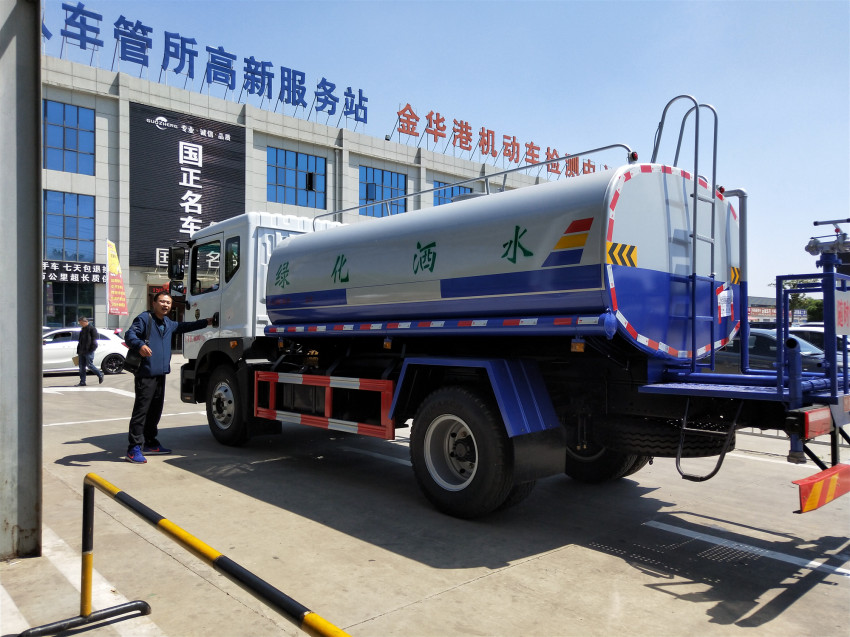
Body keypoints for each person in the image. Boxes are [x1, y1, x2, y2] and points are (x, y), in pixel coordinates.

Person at [124, 291, 213, 464]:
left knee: (155, 411)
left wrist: (206, 322)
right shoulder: (144, 319)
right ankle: (133, 448)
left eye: (169, 303)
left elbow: (185, 326)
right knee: (141, 412)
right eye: (162, 302)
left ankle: (150, 442)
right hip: (146, 374)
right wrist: (140, 345)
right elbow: (129, 335)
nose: (166, 305)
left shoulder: (168, 323)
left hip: (160, 374)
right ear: (154, 303)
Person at [75, 316, 103, 386]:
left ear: (85, 322)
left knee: (89, 365)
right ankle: (82, 382)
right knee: (81, 367)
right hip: (81, 351)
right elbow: (80, 341)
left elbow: (94, 341)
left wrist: (91, 349)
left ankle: (100, 374)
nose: (80, 324)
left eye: (81, 323)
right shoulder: (82, 330)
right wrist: (78, 350)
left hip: (88, 351)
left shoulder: (92, 329)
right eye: (80, 323)